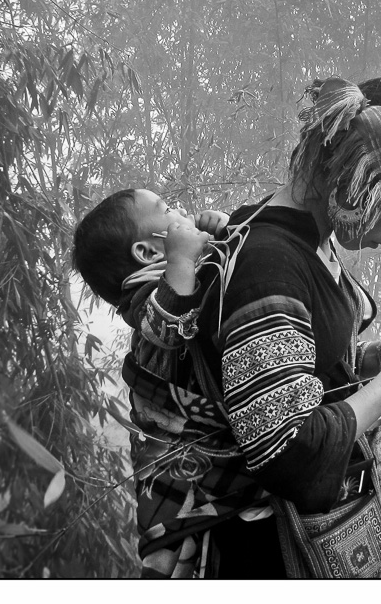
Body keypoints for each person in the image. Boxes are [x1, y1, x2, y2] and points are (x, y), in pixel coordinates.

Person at [192, 74, 381, 577]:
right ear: (361, 173)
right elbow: (285, 448)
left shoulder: (308, 242)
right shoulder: (268, 265)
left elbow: (300, 370)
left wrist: (375, 357)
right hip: (263, 557)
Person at [71, 189, 268, 577]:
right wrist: (181, 256)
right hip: (190, 459)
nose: (179, 210)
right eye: (166, 210)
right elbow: (168, 326)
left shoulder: (186, 272)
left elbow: (231, 267)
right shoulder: (145, 298)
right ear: (148, 253)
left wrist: (221, 229)